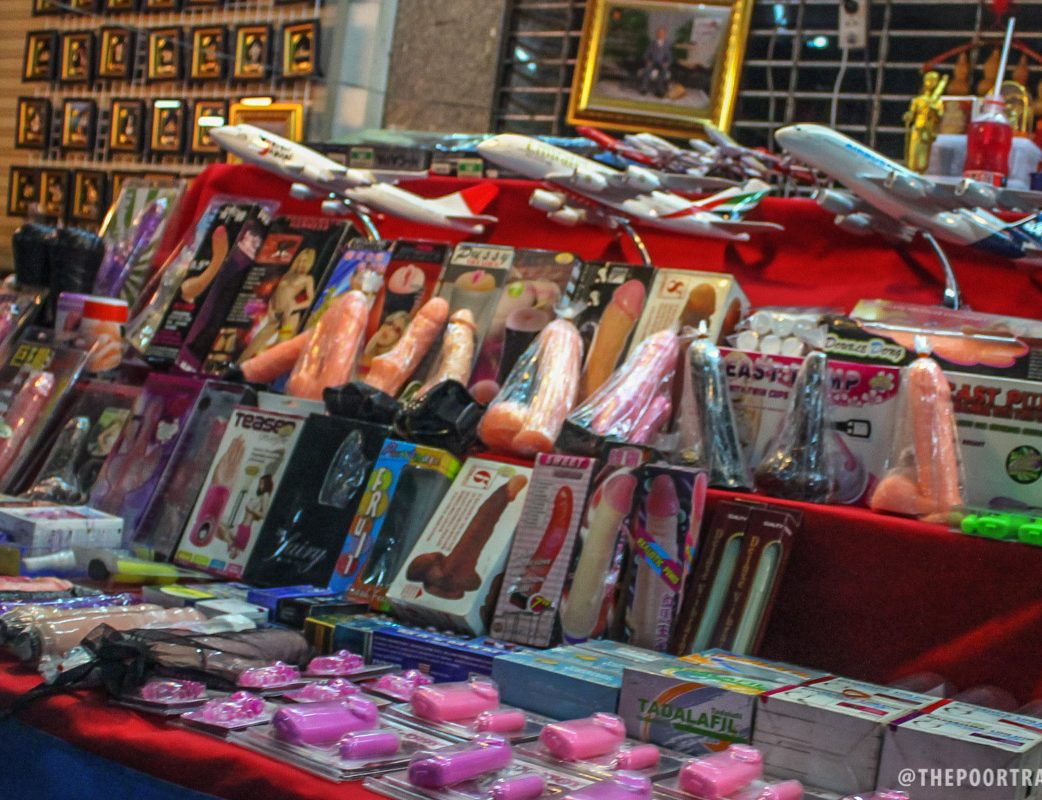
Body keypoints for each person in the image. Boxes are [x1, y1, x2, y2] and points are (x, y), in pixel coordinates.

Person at [639, 26, 672, 97]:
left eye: (662, 33)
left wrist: (667, 63)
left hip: (662, 63)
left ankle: (659, 89)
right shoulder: (652, 43)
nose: (660, 35)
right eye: (659, 33)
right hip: (652, 62)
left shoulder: (668, 45)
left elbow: (669, 58)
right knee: (648, 68)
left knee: (665, 70)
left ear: (665, 34)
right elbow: (645, 54)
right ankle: (644, 88)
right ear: (656, 34)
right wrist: (648, 61)